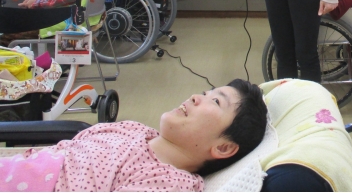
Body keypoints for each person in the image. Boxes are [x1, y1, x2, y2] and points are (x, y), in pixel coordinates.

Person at [0, 79, 268, 192]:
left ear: (223, 148)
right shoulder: (135, 130)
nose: (197, 97)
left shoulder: (168, 183)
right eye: (206, 92)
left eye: (216, 102)